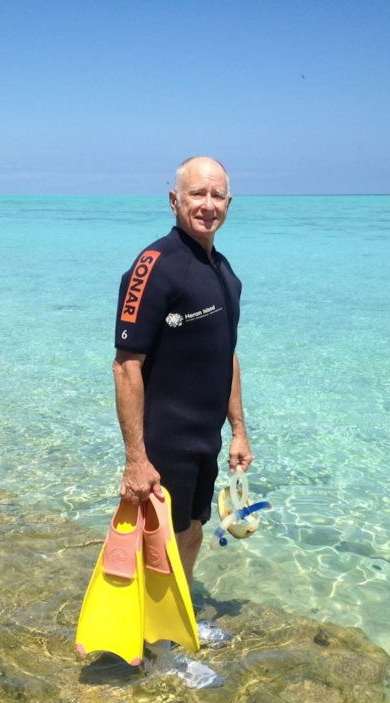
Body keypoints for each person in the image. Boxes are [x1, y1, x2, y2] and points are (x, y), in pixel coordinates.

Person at [113, 156, 253, 592]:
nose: (207, 204)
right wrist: (136, 459)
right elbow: (125, 365)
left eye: (216, 195)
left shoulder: (225, 273)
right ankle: (156, 653)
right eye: (197, 193)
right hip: (164, 442)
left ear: (229, 203)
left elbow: (226, 354)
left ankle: (177, 623)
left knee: (192, 533)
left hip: (203, 440)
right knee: (158, 547)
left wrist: (239, 430)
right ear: (174, 200)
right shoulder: (154, 265)